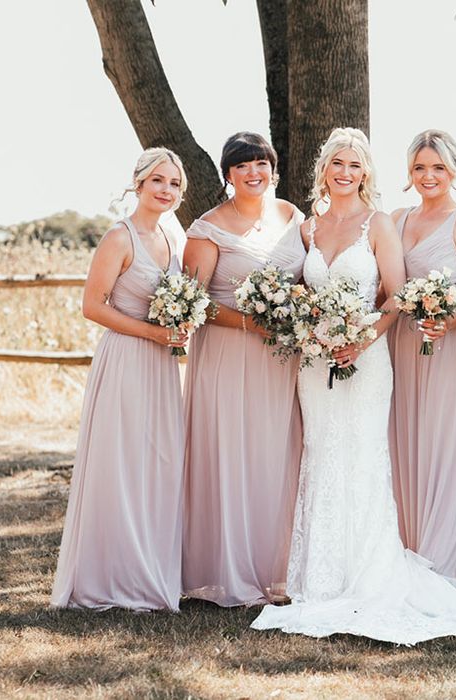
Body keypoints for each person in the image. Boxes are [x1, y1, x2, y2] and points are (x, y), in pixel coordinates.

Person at [251, 127, 456, 644]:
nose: (345, 174)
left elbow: (396, 297)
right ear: (324, 171)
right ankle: (321, 580)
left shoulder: (379, 225)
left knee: (364, 457)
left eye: (355, 166)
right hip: (315, 362)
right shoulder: (307, 229)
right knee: (322, 454)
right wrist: (309, 325)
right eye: (337, 165)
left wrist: (361, 339)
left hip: (367, 360)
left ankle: (370, 576)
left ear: (366, 173)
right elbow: (290, 286)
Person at [51, 147, 188, 611]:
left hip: (162, 367)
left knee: (158, 462)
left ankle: (148, 567)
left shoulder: (173, 235)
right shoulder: (119, 237)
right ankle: (109, 575)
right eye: (157, 181)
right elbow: (93, 306)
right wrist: (154, 331)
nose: (166, 190)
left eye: (173, 183)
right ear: (138, 184)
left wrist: (180, 328)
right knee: (122, 462)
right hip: (127, 359)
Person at [181, 132, 305, 606]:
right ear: (228, 175)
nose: (254, 172)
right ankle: (228, 570)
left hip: (281, 358)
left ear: (273, 169)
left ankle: (276, 570)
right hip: (230, 354)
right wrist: (251, 322)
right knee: (231, 452)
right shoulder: (207, 228)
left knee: (276, 455)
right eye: (242, 165)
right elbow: (197, 303)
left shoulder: (293, 216)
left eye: (261, 163)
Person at [388, 130, 456, 580]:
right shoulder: (395, 219)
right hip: (404, 344)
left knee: (446, 448)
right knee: (406, 444)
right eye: (419, 168)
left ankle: (443, 572)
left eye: (437, 168)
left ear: (453, 170)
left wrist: (449, 321)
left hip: (454, 345)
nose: (428, 176)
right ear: (409, 173)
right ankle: (408, 558)